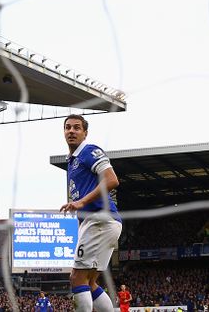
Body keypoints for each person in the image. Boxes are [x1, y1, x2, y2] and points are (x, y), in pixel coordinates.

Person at [59, 114, 122, 312]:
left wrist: (82, 202)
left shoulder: (89, 151)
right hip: (99, 222)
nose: (71, 131)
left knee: (77, 278)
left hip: (100, 220)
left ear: (85, 133)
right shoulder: (72, 162)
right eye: (68, 127)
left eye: (77, 128)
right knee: (90, 281)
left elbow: (112, 180)